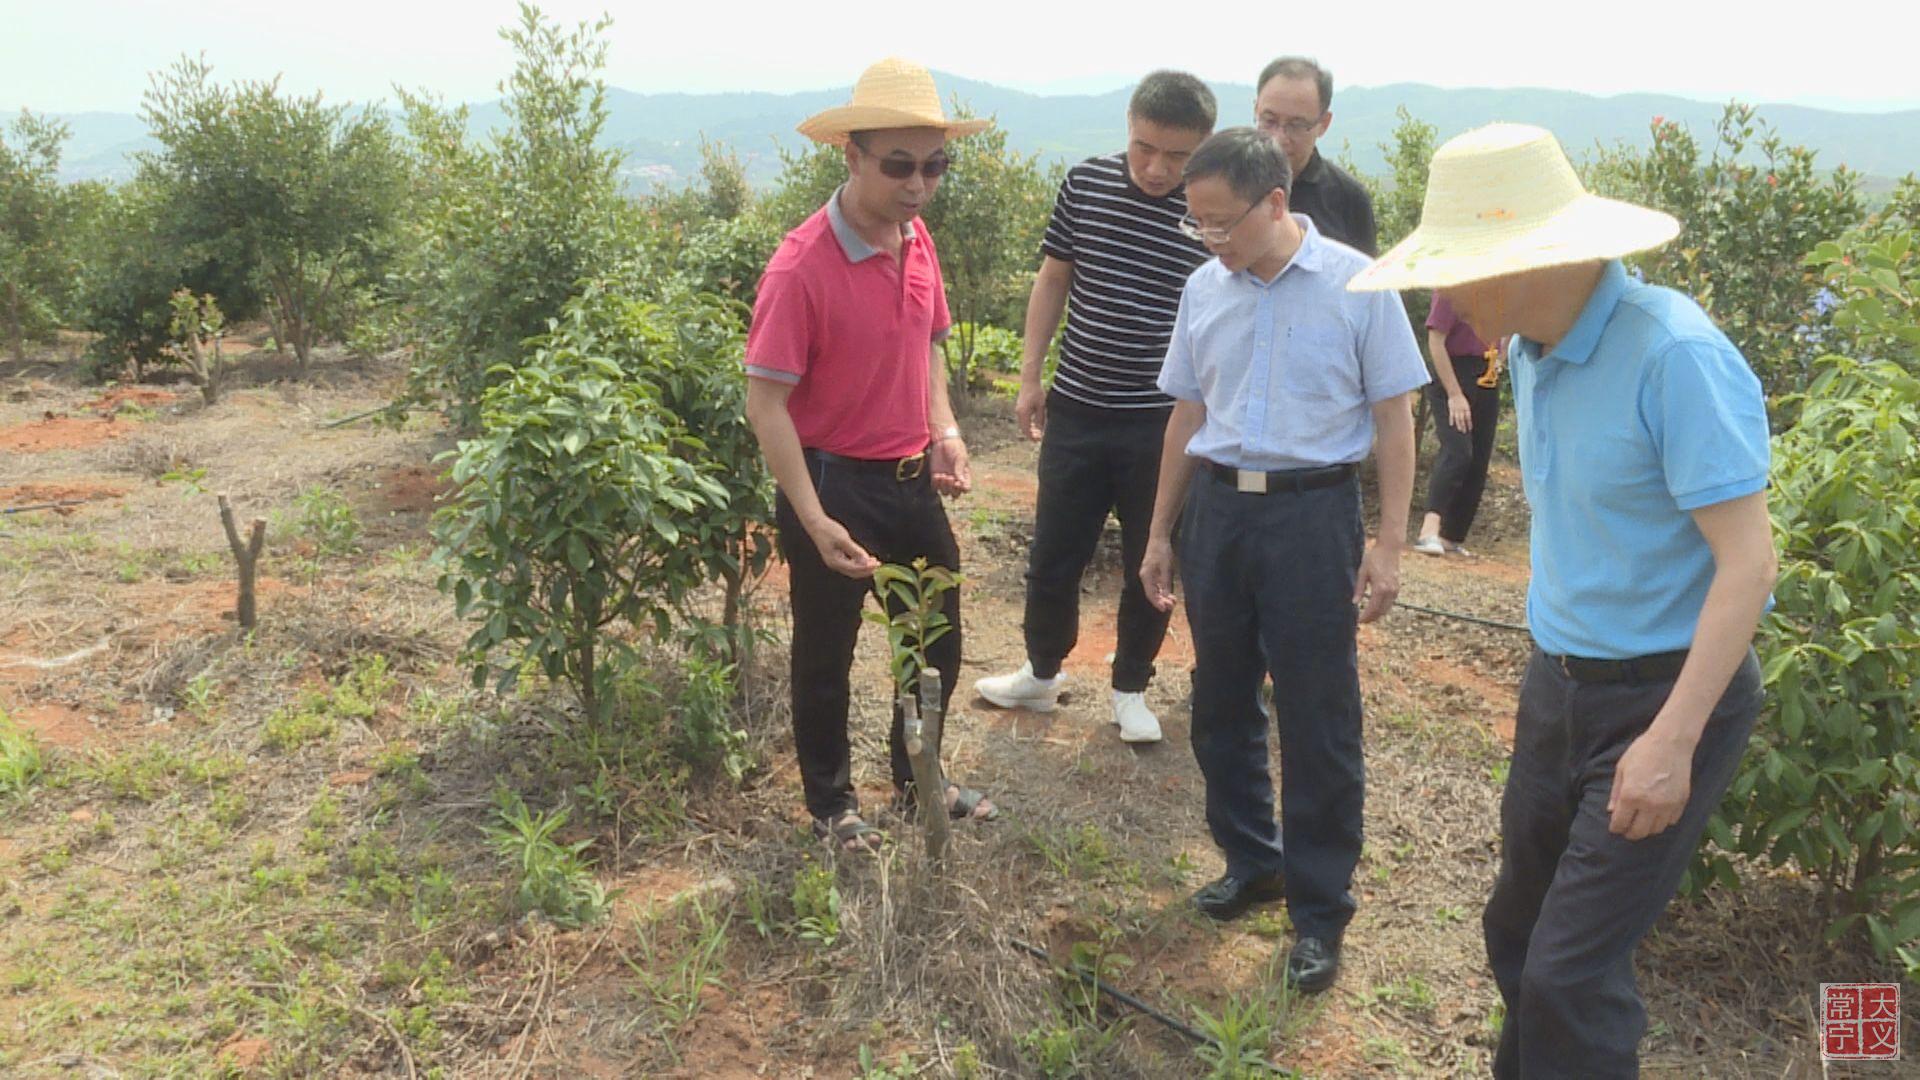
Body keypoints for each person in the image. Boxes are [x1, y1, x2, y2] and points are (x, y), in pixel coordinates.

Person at [1349, 124, 1776, 1077]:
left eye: (1460, 270)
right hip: (1562, 685)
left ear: (1527, 260)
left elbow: (1747, 566)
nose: (1446, 295)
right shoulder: (1532, 350)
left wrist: (1670, 743)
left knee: (1570, 974)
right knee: (1518, 929)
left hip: (1666, 697)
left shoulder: (1674, 357)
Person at [1139, 128, 1427, 993]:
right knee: (1219, 702)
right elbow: (1187, 416)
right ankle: (1251, 859)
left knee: (1317, 717)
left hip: (1312, 516)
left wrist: (1388, 542)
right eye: (1198, 226)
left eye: (1223, 224)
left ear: (1275, 203)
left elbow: (1395, 418)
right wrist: (1161, 530)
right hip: (1220, 513)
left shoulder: (1357, 285)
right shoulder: (1203, 287)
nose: (1211, 241)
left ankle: (1319, 910)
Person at [743, 58, 1000, 854]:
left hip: (907, 477)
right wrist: (813, 520)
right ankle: (831, 806)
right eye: (899, 166)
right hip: (829, 483)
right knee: (827, 650)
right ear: (850, 156)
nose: (919, 184)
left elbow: (926, 342)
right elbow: (767, 403)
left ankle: (917, 778)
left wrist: (944, 429)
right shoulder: (801, 266)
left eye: (934, 165)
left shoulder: (915, 237)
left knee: (936, 641)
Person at [971, 71, 1217, 744]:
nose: (1157, 167)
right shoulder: (1085, 184)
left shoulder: (1211, 212)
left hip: (1163, 424)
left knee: (1153, 558)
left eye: (1177, 156)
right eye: (1145, 147)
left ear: (1203, 149)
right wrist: (1029, 377)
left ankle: (1131, 687)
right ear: (1128, 127)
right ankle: (1042, 673)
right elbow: (1054, 278)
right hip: (1077, 407)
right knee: (1054, 551)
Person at [1253, 56, 1377, 255]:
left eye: (1297, 125)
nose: (1279, 138)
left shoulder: (1348, 198)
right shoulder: (1226, 182)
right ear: (1255, 109)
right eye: (1269, 121)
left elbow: (1363, 278)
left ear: (1324, 124)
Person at [1413, 293, 1503, 556]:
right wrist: (1454, 394)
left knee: (1479, 457)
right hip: (1452, 372)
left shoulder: (1501, 287)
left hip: (1486, 371)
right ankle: (1428, 530)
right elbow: (1436, 341)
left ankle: (1451, 537)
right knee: (1458, 450)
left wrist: (1501, 357)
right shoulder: (1452, 288)